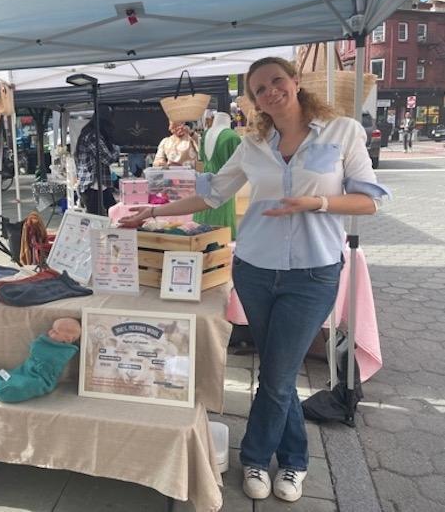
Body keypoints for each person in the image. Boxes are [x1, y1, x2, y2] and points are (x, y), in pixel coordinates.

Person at [120, 56, 389, 504]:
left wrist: (316, 203)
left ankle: (258, 458)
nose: (270, 92)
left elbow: (370, 202)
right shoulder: (253, 144)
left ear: (295, 82)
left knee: (279, 375)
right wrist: (152, 211)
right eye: (259, 89)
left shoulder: (343, 132)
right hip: (255, 271)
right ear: (253, 99)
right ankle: (295, 458)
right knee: (277, 371)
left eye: (276, 81)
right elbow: (210, 193)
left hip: (313, 273)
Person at [193, 112, 242, 238]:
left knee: (202, 209)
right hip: (223, 181)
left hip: (205, 180)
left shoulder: (206, 134)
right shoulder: (232, 137)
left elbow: (202, 159)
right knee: (220, 213)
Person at [75, 107, 120, 215]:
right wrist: (117, 149)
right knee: (103, 217)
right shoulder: (93, 136)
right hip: (93, 185)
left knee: (112, 213)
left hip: (96, 184)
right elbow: (107, 158)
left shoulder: (88, 133)